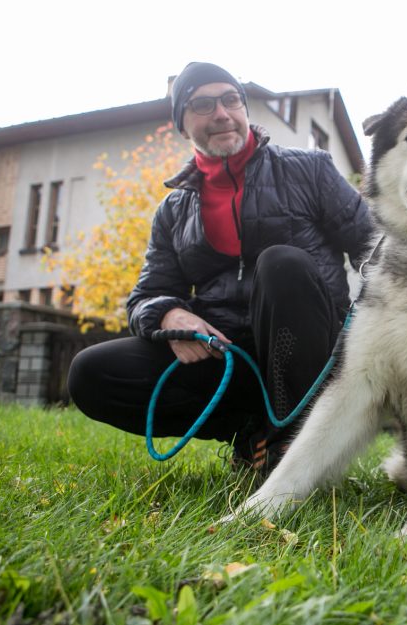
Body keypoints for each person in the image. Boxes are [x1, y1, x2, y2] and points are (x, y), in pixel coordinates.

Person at [68, 62, 374, 474]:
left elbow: (375, 246)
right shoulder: (173, 211)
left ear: (245, 109)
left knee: (281, 263)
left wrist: (375, 322)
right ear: (182, 125)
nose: (222, 113)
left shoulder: (309, 169)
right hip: (226, 357)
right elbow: (146, 295)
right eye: (203, 104)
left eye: (231, 100)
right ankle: (252, 432)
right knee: (90, 373)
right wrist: (169, 314)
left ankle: (294, 442)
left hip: (309, 355)